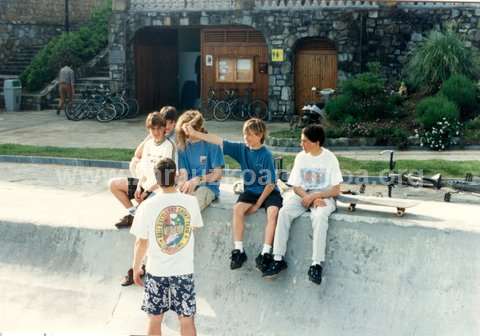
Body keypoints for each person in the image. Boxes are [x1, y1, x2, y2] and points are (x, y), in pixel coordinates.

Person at [183, 118, 282, 273]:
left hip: (268, 192)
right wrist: (195, 133)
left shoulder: (266, 154)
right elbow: (218, 141)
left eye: (250, 134)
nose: (246, 138)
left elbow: (270, 184)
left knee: (273, 212)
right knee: (237, 209)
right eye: (244, 134)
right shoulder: (242, 149)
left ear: (260, 134)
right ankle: (238, 251)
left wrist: (258, 204)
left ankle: (265, 253)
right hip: (251, 191)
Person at [262, 125, 343, 285]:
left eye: (304, 141)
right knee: (284, 212)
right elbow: (296, 186)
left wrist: (316, 196)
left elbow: (336, 189)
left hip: (323, 197)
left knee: (320, 217)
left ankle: (316, 264)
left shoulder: (330, 158)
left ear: (316, 142)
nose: (301, 144)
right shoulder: (301, 157)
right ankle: (278, 259)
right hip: (303, 195)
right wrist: (308, 197)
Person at [131, 158, 203, 336]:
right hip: (183, 270)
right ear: (176, 176)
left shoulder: (146, 206)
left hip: (157, 271)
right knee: (186, 319)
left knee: (154, 319)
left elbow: (141, 242)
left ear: (156, 179)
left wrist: (136, 268)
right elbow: (192, 227)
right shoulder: (191, 202)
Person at [109, 111, 177, 230]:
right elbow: (144, 171)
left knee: (147, 219)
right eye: (152, 129)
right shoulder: (148, 144)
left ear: (164, 128)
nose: (156, 132)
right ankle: (134, 214)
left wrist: (147, 192)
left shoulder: (169, 145)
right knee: (113, 184)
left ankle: (139, 216)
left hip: (159, 189)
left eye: (159, 128)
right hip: (144, 186)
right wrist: (139, 187)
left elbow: (166, 177)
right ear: (149, 130)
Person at [176, 110, 224, 211]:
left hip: (207, 188)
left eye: (188, 129)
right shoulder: (182, 146)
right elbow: (183, 173)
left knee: (192, 207)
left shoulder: (212, 144)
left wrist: (198, 180)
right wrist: (182, 185)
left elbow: (218, 174)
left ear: (198, 128)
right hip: (189, 187)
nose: (185, 133)